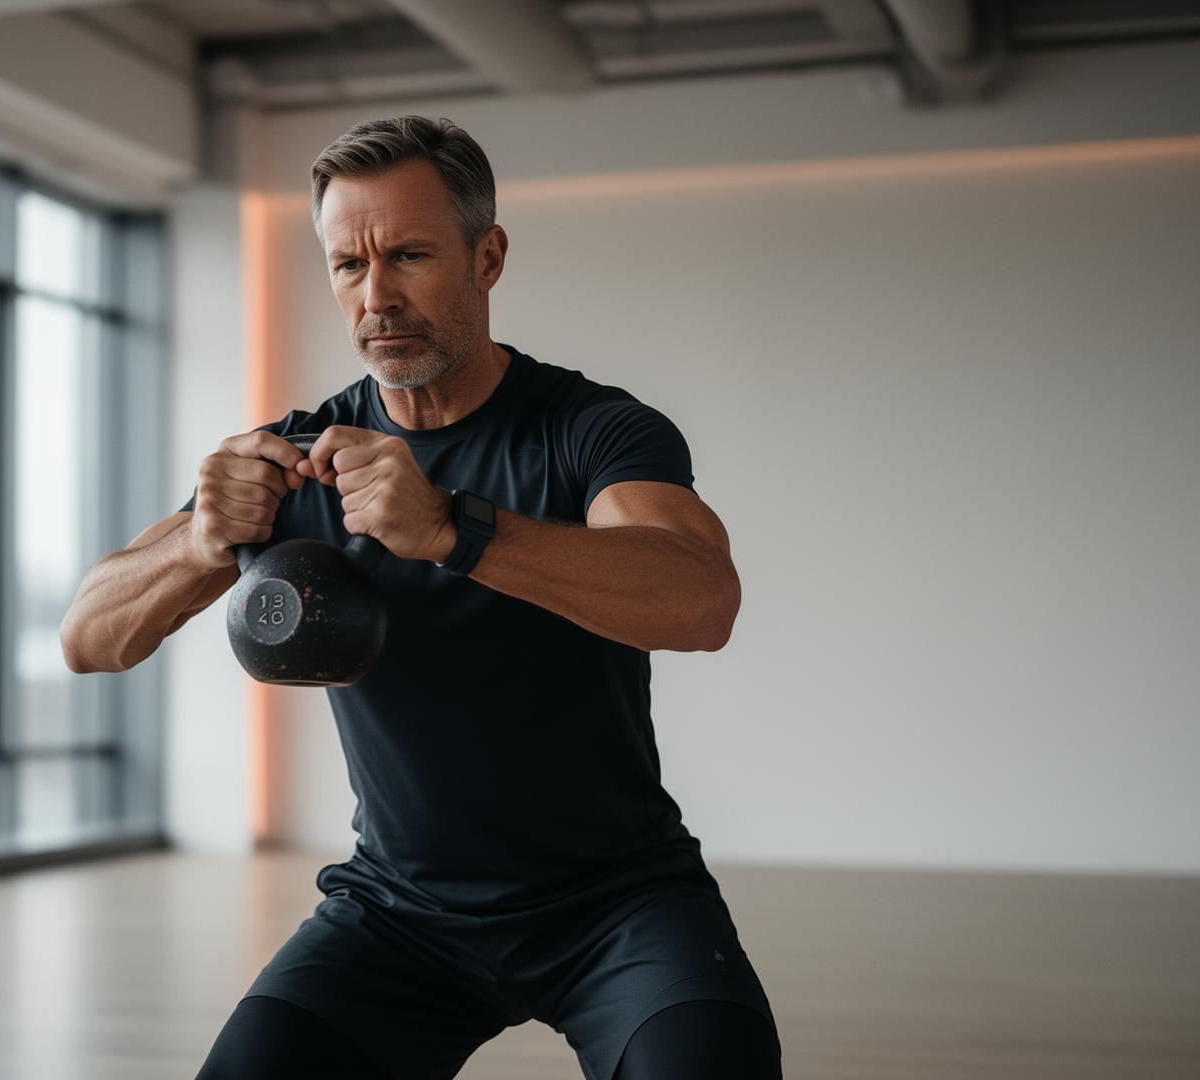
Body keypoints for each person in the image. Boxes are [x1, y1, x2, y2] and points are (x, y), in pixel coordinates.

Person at [59, 115, 780, 1080]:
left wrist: (454, 529)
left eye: (408, 255)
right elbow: (88, 638)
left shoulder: (589, 430)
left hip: (619, 904)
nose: (377, 296)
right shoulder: (300, 461)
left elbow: (701, 601)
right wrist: (198, 543)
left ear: (488, 257)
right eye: (347, 265)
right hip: (399, 913)